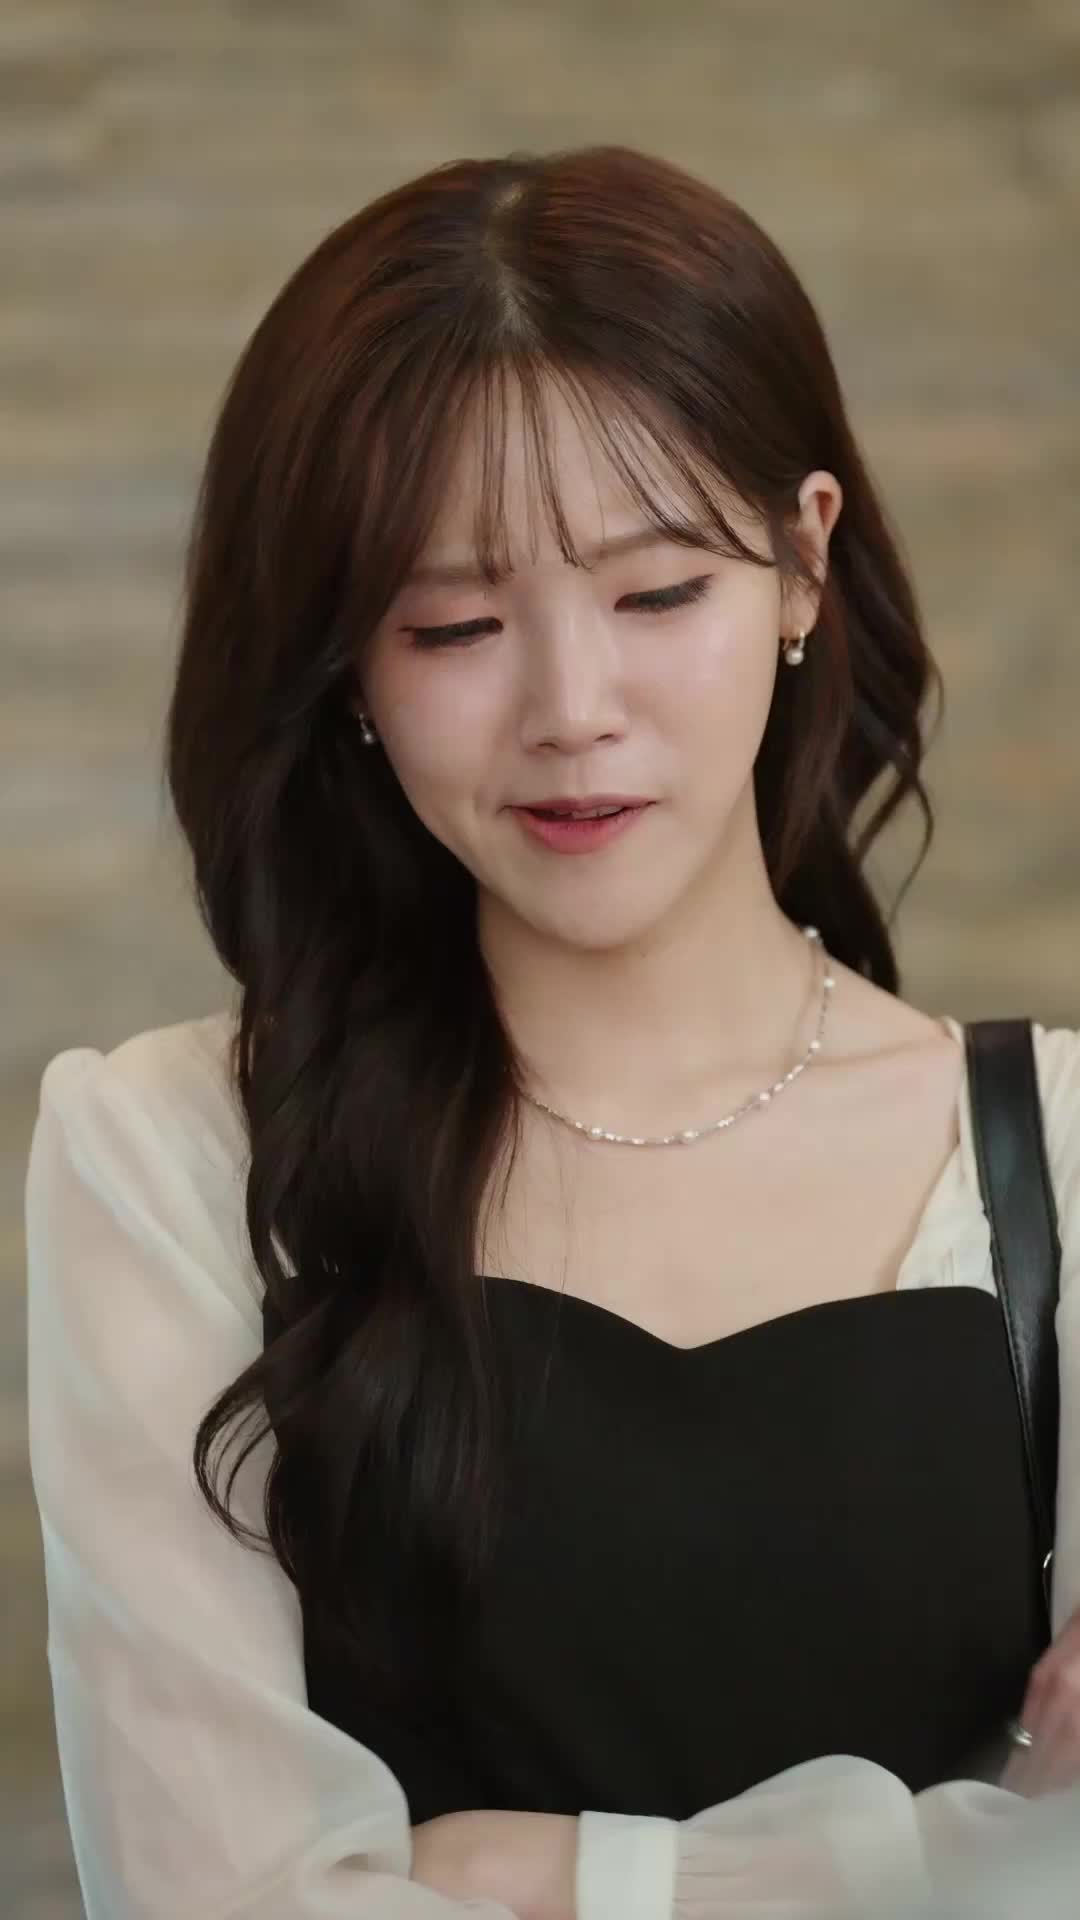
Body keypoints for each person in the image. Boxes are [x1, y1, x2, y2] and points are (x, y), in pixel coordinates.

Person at [24, 144, 1080, 1920]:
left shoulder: (1056, 1155)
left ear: (803, 563)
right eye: (455, 625)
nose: (573, 710)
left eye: (658, 594)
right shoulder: (173, 1155)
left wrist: (565, 1878)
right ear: (349, 667)